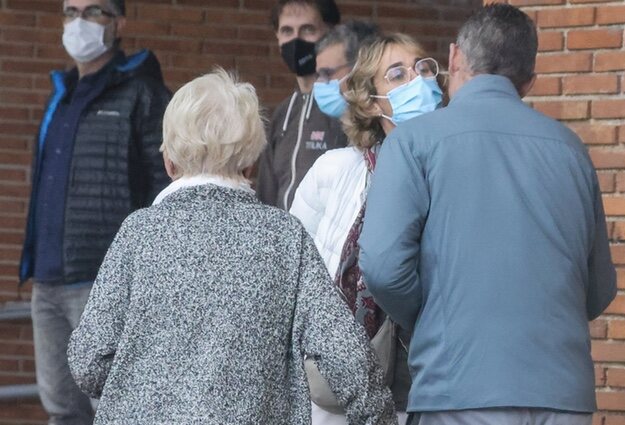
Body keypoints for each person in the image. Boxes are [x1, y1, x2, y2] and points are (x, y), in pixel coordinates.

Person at [66, 68, 398, 425]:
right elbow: (347, 357)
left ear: (169, 162)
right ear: (252, 162)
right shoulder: (284, 237)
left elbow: (89, 363)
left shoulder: (139, 232)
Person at [359, 5, 618, 425]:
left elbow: (383, 266)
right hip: (563, 392)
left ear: (454, 57)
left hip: (457, 387)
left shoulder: (413, 143)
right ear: (529, 81)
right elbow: (599, 287)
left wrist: (434, 314)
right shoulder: (571, 150)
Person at [18, 0, 171, 423]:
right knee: (61, 410)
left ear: (118, 23)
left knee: (115, 408)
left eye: (92, 12)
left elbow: (165, 187)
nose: (78, 23)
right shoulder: (62, 95)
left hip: (105, 281)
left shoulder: (143, 94)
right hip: (47, 280)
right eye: (70, 12)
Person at [291, 32, 444, 425]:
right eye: (397, 75)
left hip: (431, 382)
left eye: (422, 68)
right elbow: (290, 277)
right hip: (341, 388)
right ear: (372, 101)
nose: (417, 81)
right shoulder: (335, 171)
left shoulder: (455, 170)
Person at [256, 0, 349, 210]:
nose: (296, 40)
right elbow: (266, 196)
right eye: (287, 31)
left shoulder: (346, 109)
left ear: (331, 34)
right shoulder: (282, 114)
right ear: (277, 37)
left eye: (307, 29)